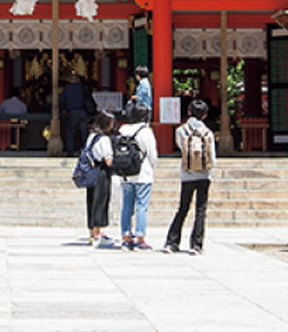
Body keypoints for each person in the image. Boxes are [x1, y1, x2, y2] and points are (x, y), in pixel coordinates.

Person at [166, 99, 216, 254]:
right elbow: (212, 157)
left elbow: (182, 149)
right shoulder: (208, 132)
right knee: (201, 209)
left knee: (183, 208)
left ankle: (172, 242)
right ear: (205, 115)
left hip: (187, 174)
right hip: (204, 174)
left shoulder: (181, 130)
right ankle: (196, 244)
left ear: (188, 112)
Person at [116, 101, 158, 250]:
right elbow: (152, 155)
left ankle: (126, 236)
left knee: (126, 205)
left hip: (126, 173)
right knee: (142, 206)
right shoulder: (146, 132)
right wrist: (152, 167)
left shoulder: (123, 130)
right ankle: (140, 237)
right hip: (143, 173)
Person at [82, 111, 115, 247]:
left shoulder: (92, 136)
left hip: (91, 170)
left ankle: (91, 232)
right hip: (101, 171)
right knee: (101, 200)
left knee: (91, 200)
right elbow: (108, 160)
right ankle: (97, 232)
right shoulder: (104, 139)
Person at [58, 74, 93, 155]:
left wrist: (65, 108)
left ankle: (70, 151)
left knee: (71, 131)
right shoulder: (83, 87)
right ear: (78, 80)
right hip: (82, 111)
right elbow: (88, 97)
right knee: (84, 131)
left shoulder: (67, 88)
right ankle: (86, 150)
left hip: (72, 111)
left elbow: (61, 100)